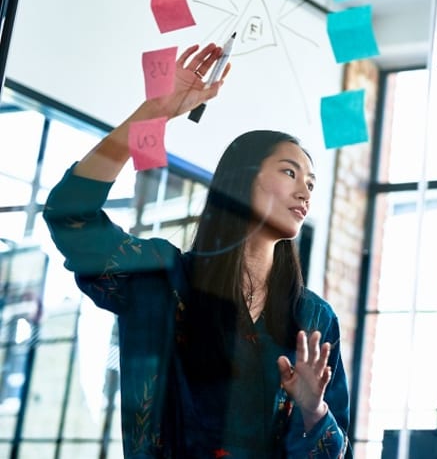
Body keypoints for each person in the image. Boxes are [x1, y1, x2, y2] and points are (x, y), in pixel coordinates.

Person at [43, 43, 351, 458]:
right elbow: (70, 215)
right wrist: (151, 113)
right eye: (290, 172)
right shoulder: (164, 278)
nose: (304, 191)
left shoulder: (313, 319)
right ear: (241, 180)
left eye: (311, 183)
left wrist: (314, 410)